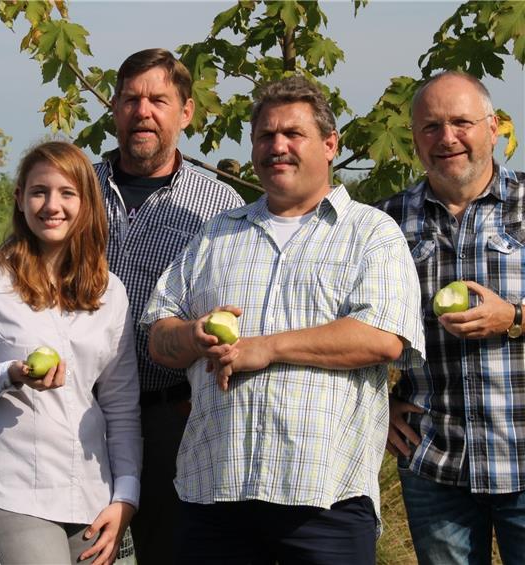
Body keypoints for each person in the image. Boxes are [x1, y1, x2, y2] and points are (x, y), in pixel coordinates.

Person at [141, 76, 426, 564]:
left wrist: (265, 347)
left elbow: (382, 339)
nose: (277, 146)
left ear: (330, 144)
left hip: (324, 500)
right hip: (215, 493)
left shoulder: (371, 232)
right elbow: (158, 335)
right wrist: (192, 335)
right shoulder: (218, 233)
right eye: (265, 136)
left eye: (293, 134)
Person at [0, 141, 141, 565]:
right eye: (39, 191)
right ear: (20, 199)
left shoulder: (110, 292)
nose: (51, 205)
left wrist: (125, 496)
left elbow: (120, 406)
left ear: (87, 202)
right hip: (10, 491)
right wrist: (7, 374)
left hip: (94, 497)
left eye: (66, 193)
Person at [94, 47, 244, 565]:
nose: (143, 111)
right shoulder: (74, 189)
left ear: (185, 112)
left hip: (173, 416)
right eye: (131, 99)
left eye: (159, 99)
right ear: (113, 108)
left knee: (172, 552)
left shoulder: (219, 205)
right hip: (76, 411)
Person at [379, 71, 525, 564]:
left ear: (493, 128)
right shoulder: (385, 222)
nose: (447, 138)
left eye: (461, 122)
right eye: (431, 126)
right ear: (415, 138)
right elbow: (357, 326)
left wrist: (515, 316)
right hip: (435, 463)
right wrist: (377, 407)